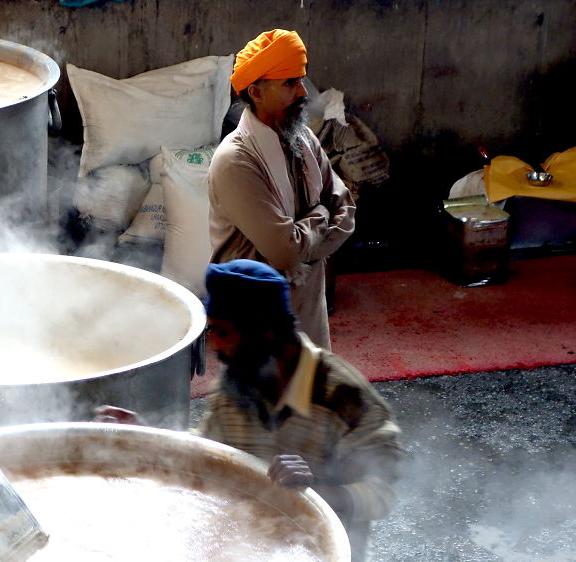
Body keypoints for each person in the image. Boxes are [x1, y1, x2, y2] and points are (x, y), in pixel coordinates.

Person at [95, 259, 402, 562]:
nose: (215, 346)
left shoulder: (343, 397)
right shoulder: (238, 382)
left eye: (223, 333)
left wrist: (318, 491)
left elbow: (384, 492)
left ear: (266, 332)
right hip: (249, 545)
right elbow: (211, 456)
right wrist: (148, 434)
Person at [207, 29, 356, 350]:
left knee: (310, 394)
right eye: (290, 83)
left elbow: (347, 213)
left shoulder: (304, 140)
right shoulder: (236, 160)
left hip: (308, 307)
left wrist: (303, 250)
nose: (303, 92)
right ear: (256, 93)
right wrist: (319, 216)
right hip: (257, 317)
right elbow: (284, 251)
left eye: (301, 80)